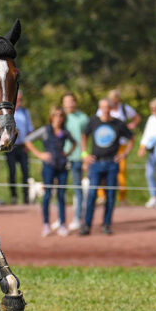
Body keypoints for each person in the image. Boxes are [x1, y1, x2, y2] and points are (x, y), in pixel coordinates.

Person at [80, 98, 134, 235]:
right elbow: (84, 136)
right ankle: (87, 225)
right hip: (96, 163)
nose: (105, 110)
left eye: (107, 107)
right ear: (100, 108)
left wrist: (124, 154)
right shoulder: (94, 121)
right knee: (92, 195)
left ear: (111, 108)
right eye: (103, 107)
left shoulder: (118, 123)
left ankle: (106, 224)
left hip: (112, 163)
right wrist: (85, 154)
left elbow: (131, 138)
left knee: (110, 195)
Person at [26, 106, 75, 237]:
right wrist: (39, 154)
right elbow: (28, 140)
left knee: (61, 195)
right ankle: (46, 224)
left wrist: (67, 153)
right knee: (47, 195)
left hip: (62, 166)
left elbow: (74, 143)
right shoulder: (45, 130)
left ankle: (62, 224)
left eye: (61, 115)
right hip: (49, 166)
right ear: (52, 116)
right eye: (56, 115)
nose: (58, 118)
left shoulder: (65, 131)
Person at [105, 89, 141, 204]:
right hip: (107, 145)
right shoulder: (104, 109)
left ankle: (122, 197)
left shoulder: (125, 109)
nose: (114, 103)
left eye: (116, 100)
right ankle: (102, 196)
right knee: (103, 171)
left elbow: (137, 118)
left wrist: (132, 125)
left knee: (121, 170)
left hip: (121, 144)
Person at [61, 92, 89, 231]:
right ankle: (61, 220)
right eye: (66, 101)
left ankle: (78, 218)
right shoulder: (60, 117)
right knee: (60, 189)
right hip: (62, 157)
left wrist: (85, 156)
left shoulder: (83, 118)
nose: (69, 104)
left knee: (78, 188)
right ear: (63, 103)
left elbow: (85, 138)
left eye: (72, 101)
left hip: (77, 157)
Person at [6, 89, 34, 204]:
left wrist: (29, 144)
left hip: (23, 146)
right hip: (11, 147)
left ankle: (26, 196)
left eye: (20, 99)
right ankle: (14, 196)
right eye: (16, 99)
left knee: (25, 172)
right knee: (12, 172)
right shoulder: (8, 112)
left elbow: (30, 130)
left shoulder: (26, 112)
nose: (18, 101)